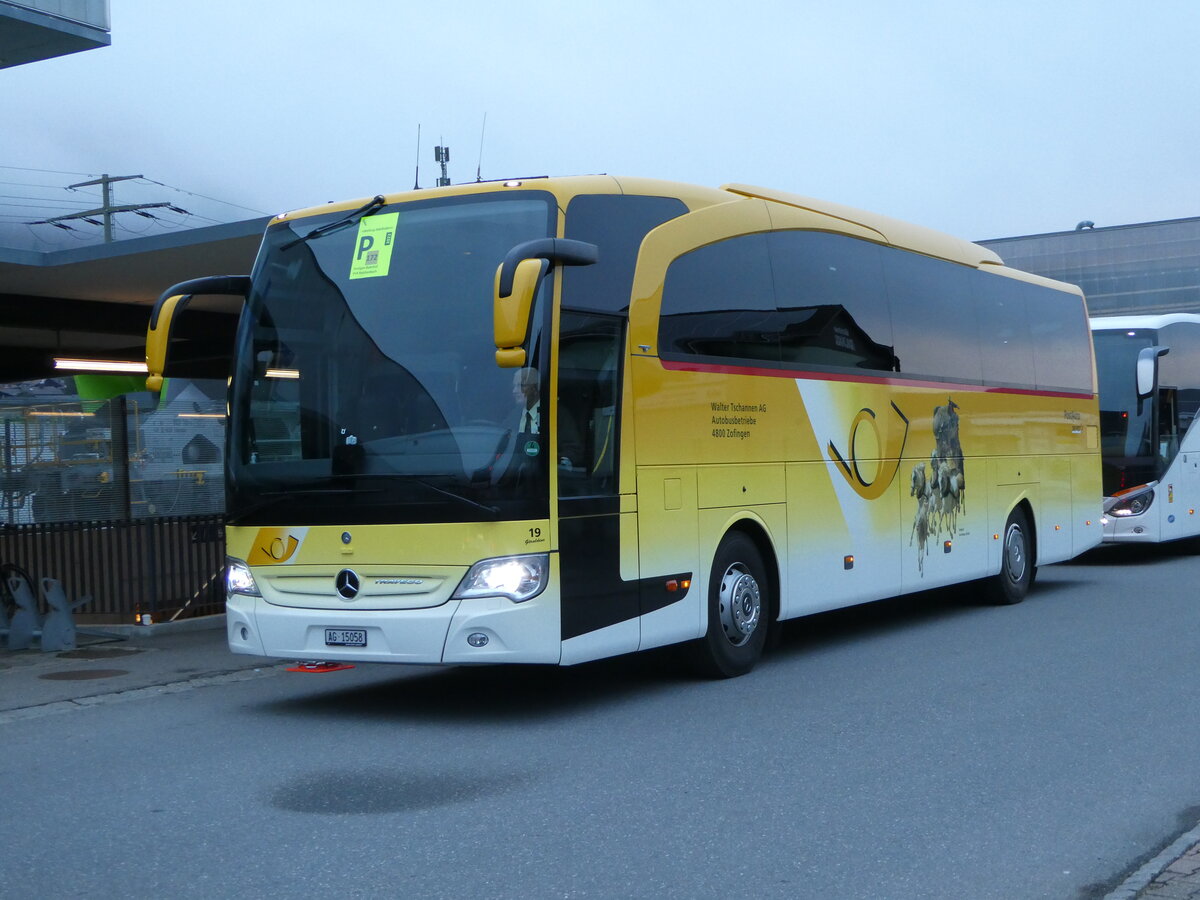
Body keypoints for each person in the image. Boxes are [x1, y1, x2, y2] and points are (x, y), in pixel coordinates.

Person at [512, 367, 539, 434]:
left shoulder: (553, 414)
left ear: (535, 388)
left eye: (521, 385)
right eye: (514, 386)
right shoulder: (514, 415)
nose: (514, 391)